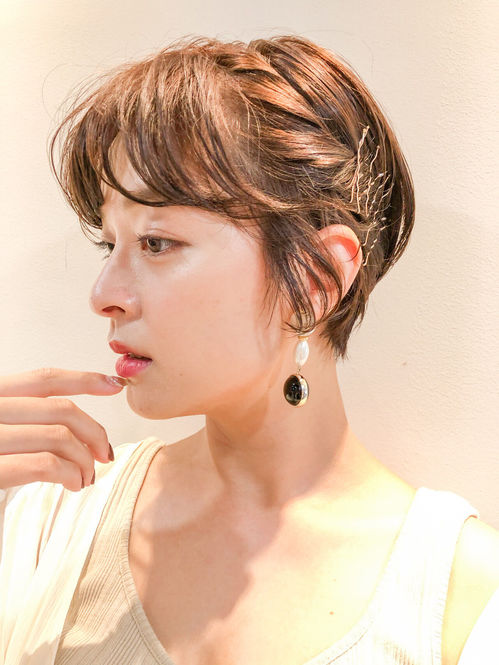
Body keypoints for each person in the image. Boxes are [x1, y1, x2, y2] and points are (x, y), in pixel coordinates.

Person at [0, 34, 498, 665]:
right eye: (110, 244)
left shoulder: (461, 598)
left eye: (157, 243)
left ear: (315, 278)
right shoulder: (49, 517)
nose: (104, 295)